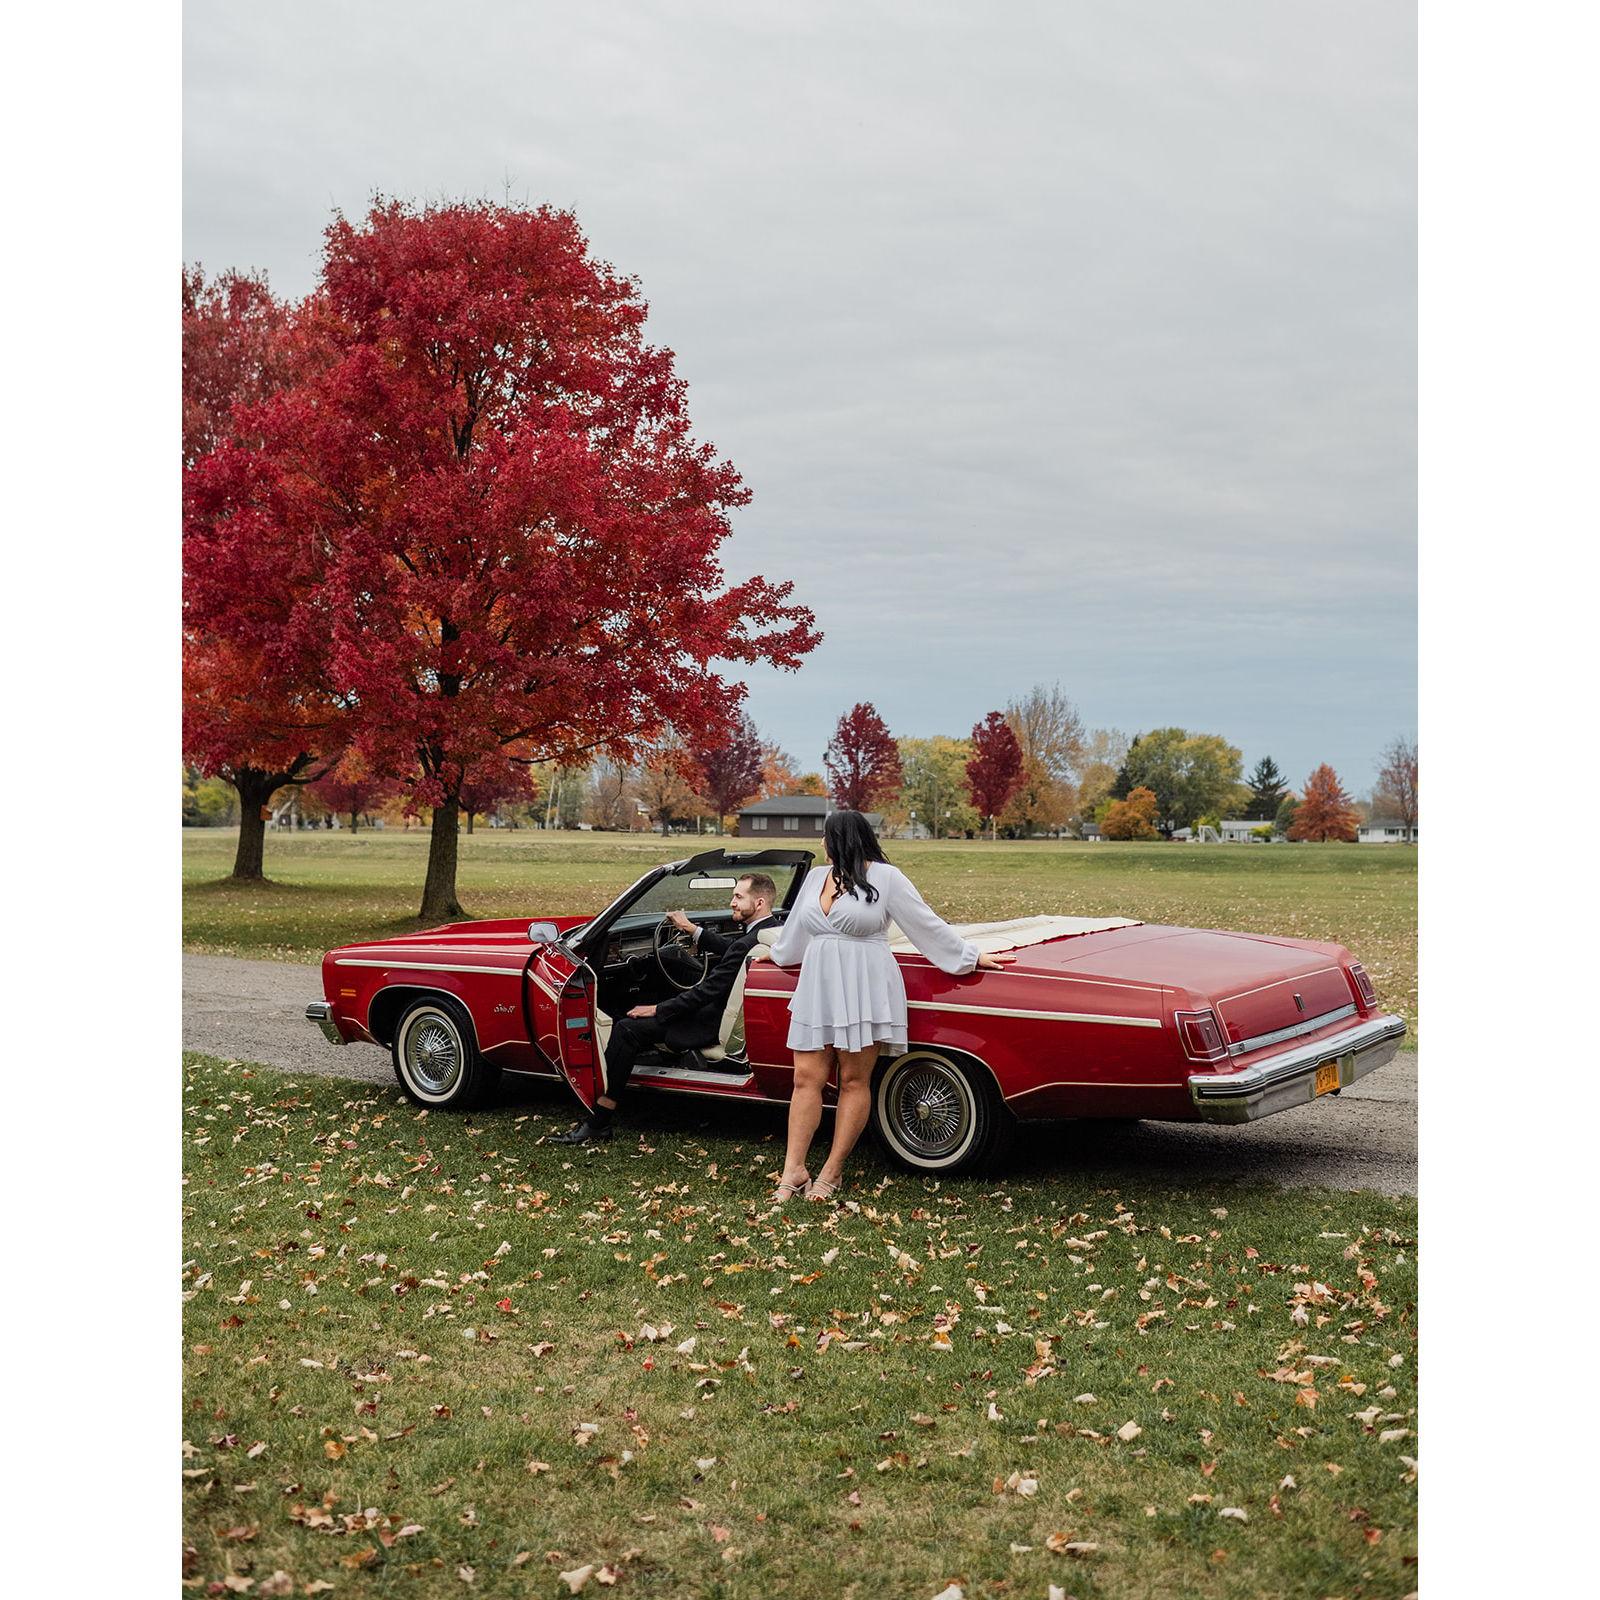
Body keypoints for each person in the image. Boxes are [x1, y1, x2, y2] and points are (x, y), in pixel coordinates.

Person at [750, 810, 1014, 1201]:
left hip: (864, 983)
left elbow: (925, 924)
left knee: (853, 1080)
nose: (821, 844)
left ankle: (832, 1171)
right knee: (805, 1078)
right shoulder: (815, 878)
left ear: (841, 839)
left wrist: (969, 956)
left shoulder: (887, 878)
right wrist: (777, 955)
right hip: (818, 985)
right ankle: (794, 1170)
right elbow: (796, 934)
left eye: (826, 836)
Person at [548, 872, 780, 1145]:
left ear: (759, 902)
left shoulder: (746, 943)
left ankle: (599, 1119)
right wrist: (693, 930)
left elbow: (707, 991)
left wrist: (657, 1009)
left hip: (709, 1023)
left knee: (626, 1029)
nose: (732, 903)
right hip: (724, 1013)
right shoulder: (769, 931)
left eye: (739, 897)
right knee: (667, 982)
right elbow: (731, 949)